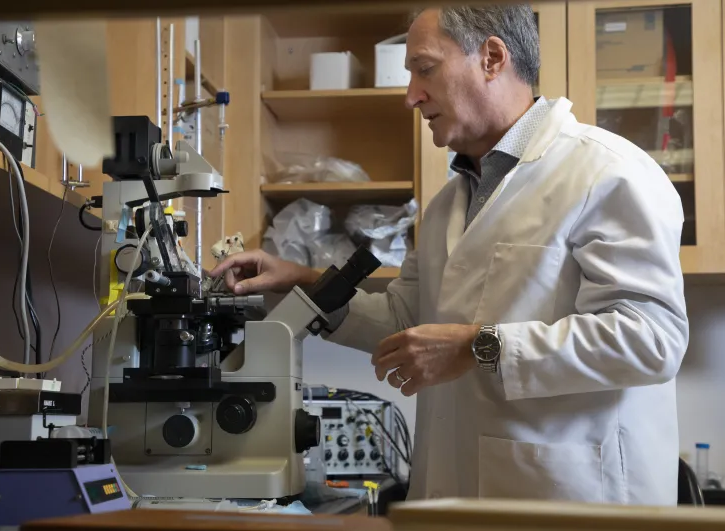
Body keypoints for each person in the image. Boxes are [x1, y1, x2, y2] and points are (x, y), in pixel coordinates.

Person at [210, 5, 688, 505]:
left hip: (574, 494)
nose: (411, 96)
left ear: (492, 57)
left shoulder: (607, 173)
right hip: (456, 493)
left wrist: (475, 348)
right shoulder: (446, 205)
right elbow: (406, 317)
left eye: (425, 69)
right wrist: (303, 280)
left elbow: (650, 339)